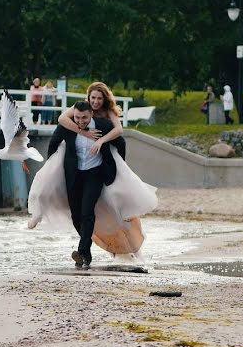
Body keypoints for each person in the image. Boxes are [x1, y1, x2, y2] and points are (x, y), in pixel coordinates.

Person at [29, 101, 157, 267]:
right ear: (73, 115)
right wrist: (53, 168)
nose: (81, 121)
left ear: (91, 115)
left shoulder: (103, 125)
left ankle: (82, 251)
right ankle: (86, 254)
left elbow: (121, 142)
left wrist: (118, 167)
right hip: (74, 174)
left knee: (87, 211)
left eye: (84, 118)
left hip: (95, 173)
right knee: (76, 215)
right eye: (77, 117)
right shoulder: (68, 126)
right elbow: (54, 143)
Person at [57, 81, 126, 160]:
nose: (96, 102)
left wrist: (100, 141)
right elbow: (61, 118)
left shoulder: (107, 110)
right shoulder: (84, 105)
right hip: (84, 135)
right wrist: (84, 133)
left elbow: (119, 129)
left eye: (99, 98)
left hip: (102, 138)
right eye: (93, 97)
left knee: (121, 142)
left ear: (104, 99)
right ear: (89, 97)